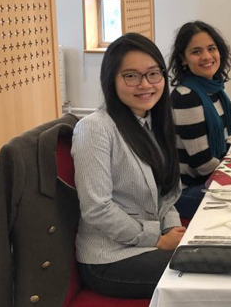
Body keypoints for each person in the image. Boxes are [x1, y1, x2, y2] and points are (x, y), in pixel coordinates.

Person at [71, 33, 185, 298]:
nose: (145, 84)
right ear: (111, 80)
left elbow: (166, 194)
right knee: (203, 275)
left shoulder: (151, 123)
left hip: (147, 245)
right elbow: (97, 209)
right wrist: (156, 238)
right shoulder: (95, 128)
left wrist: (172, 229)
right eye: (131, 76)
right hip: (109, 259)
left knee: (223, 259)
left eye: (153, 74)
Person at [169, 21, 231, 218]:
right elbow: (203, 165)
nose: (207, 57)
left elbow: (226, 140)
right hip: (186, 192)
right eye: (196, 51)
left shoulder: (213, 90)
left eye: (211, 49)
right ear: (184, 58)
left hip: (206, 180)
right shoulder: (186, 97)